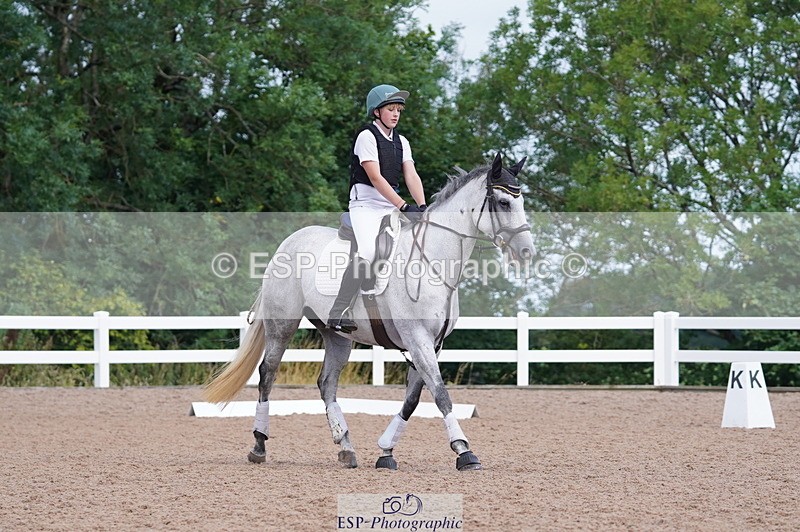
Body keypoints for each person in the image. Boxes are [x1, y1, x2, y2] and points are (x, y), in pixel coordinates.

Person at [327, 84, 428, 333]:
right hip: (365, 205)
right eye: (391, 109)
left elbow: (411, 175)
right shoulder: (366, 137)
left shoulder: (402, 142)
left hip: (388, 205)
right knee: (369, 250)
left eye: (398, 110)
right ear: (376, 112)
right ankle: (338, 311)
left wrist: (423, 207)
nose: (395, 114)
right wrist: (404, 206)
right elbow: (375, 177)